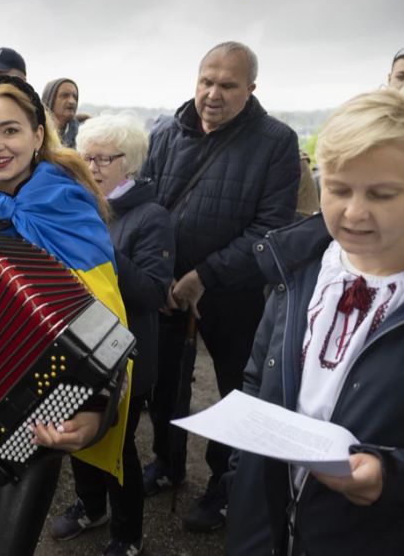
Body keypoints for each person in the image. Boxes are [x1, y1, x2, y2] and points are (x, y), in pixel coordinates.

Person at [227, 87, 404, 554]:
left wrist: (395, 477)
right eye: (337, 188)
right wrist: (242, 487)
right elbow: (259, 381)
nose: (354, 212)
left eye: (382, 194)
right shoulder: (300, 267)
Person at [0, 75, 130, 556]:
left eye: (10, 131)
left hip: (36, 404)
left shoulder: (67, 206)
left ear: (38, 135)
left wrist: (94, 412)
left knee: (7, 547)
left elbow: (104, 320)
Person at [140, 41, 300, 531]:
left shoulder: (276, 141)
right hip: (165, 286)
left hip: (233, 295)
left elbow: (269, 230)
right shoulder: (167, 130)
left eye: (227, 85)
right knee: (164, 383)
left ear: (250, 89)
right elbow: (148, 205)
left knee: (236, 393)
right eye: (206, 81)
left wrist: (203, 277)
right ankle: (168, 463)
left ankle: (224, 485)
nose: (213, 93)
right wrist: (159, 269)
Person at [49, 114, 174, 556]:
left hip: (125, 353)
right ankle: (89, 505)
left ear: (131, 163)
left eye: (105, 158)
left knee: (118, 446)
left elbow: (156, 292)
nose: (93, 166)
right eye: (85, 157)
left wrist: (103, 251)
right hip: (78, 346)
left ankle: (127, 536)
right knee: (77, 432)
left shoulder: (151, 216)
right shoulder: (78, 207)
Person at [41, 78, 80, 148]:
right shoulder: (37, 133)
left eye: (75, 97)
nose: (72, 101)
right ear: (50, 99)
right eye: (65, 95)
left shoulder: (83, 135)